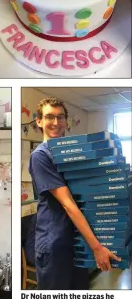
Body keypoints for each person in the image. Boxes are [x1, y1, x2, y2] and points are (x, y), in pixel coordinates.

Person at [28, 97, 120, 290]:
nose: (55, 123)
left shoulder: (71, 154)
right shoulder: (41, 156)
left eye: (60, 117)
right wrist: (97, 247)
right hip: (55, 244)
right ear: (39, 121)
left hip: (77, 242)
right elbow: (68, 203)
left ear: (66, 121)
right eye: (49, 117)